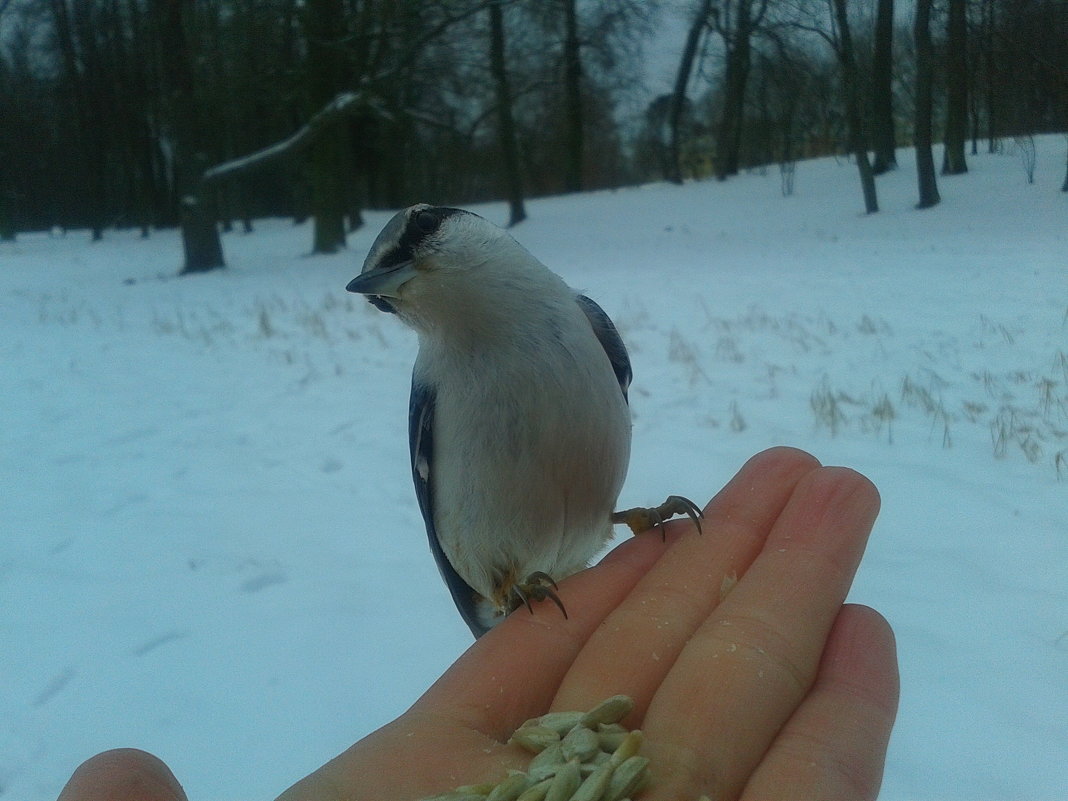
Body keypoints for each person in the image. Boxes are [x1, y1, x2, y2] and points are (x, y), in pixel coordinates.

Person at [57, 448, 899, 801]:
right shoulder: (438, 379)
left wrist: (623, 518)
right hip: (511, 573)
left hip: (599, 549)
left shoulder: (578, 327)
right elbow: (448, 515)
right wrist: (496, 594)